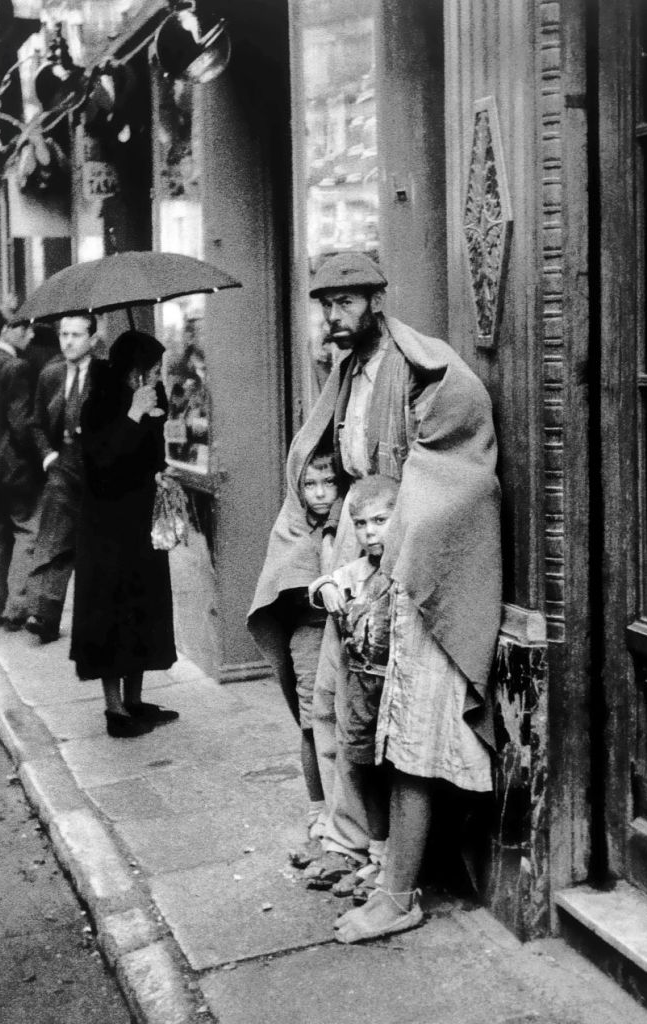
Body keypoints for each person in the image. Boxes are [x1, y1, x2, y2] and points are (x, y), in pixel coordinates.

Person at [264, 252, 501, 938]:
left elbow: (459, 475)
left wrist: (390, 568)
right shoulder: (344, 370)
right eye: (324, 303)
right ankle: (358, 847)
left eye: (346, 301)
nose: (333, 315)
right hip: (362, 563)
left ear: (377, 297)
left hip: (414, 575)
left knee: (410, 730)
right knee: (341, 708)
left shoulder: (430, 371)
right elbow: (334, 463)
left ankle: (401, 893)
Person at [70, 330, 178, 738]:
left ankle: (135, 700)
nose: (157, 376)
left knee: (143, 611)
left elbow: (151, 456)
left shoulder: (151, 397)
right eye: (152, 369)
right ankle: (114, 710)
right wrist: (132, 415)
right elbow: (101, 467)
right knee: (112, 615)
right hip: (107, 531)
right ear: (133, 371)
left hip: (141, 526)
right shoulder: (97, 406)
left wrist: (153, 418)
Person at [248, 449, 342, 866]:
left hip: (344, 634)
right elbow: (281, 583)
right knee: (311, 722)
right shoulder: (290, 525)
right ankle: (317, 806)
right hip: (308, 632)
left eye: (329, 482)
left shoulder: (351, 523)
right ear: (297, 488)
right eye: (310, 485)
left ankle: (345, 811)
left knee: (347, 722)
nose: (320, 494)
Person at [307, 475, 399, 900]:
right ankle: (375, 855)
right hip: (364, 698)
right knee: (365, 771)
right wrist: (326, 586)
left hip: (397, 699)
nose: (370, 532)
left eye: (381, 520)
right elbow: (325, 583)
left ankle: (391, 865)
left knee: (398, 776)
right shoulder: (358, 571)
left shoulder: (405, 568)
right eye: (361, 524)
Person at [24, 314, 99, 643]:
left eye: (76, 335)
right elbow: (36, 422)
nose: (68, 341)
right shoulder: (51, 374)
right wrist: (48, 457)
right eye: (64, 335)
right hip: (63, 466)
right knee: (53, 540)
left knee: (97, 545)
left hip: (100, 469)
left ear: (92, 339)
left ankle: (99, 619)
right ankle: (44, 615)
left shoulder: (106, 375)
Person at [0, 315, 40, 630]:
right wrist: (38, 459)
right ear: (8, 330)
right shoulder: (16, 367)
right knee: (27, 530)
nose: (31, 335)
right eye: (26, 328)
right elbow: (21, 425)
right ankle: (16, 608)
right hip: (13, 467)